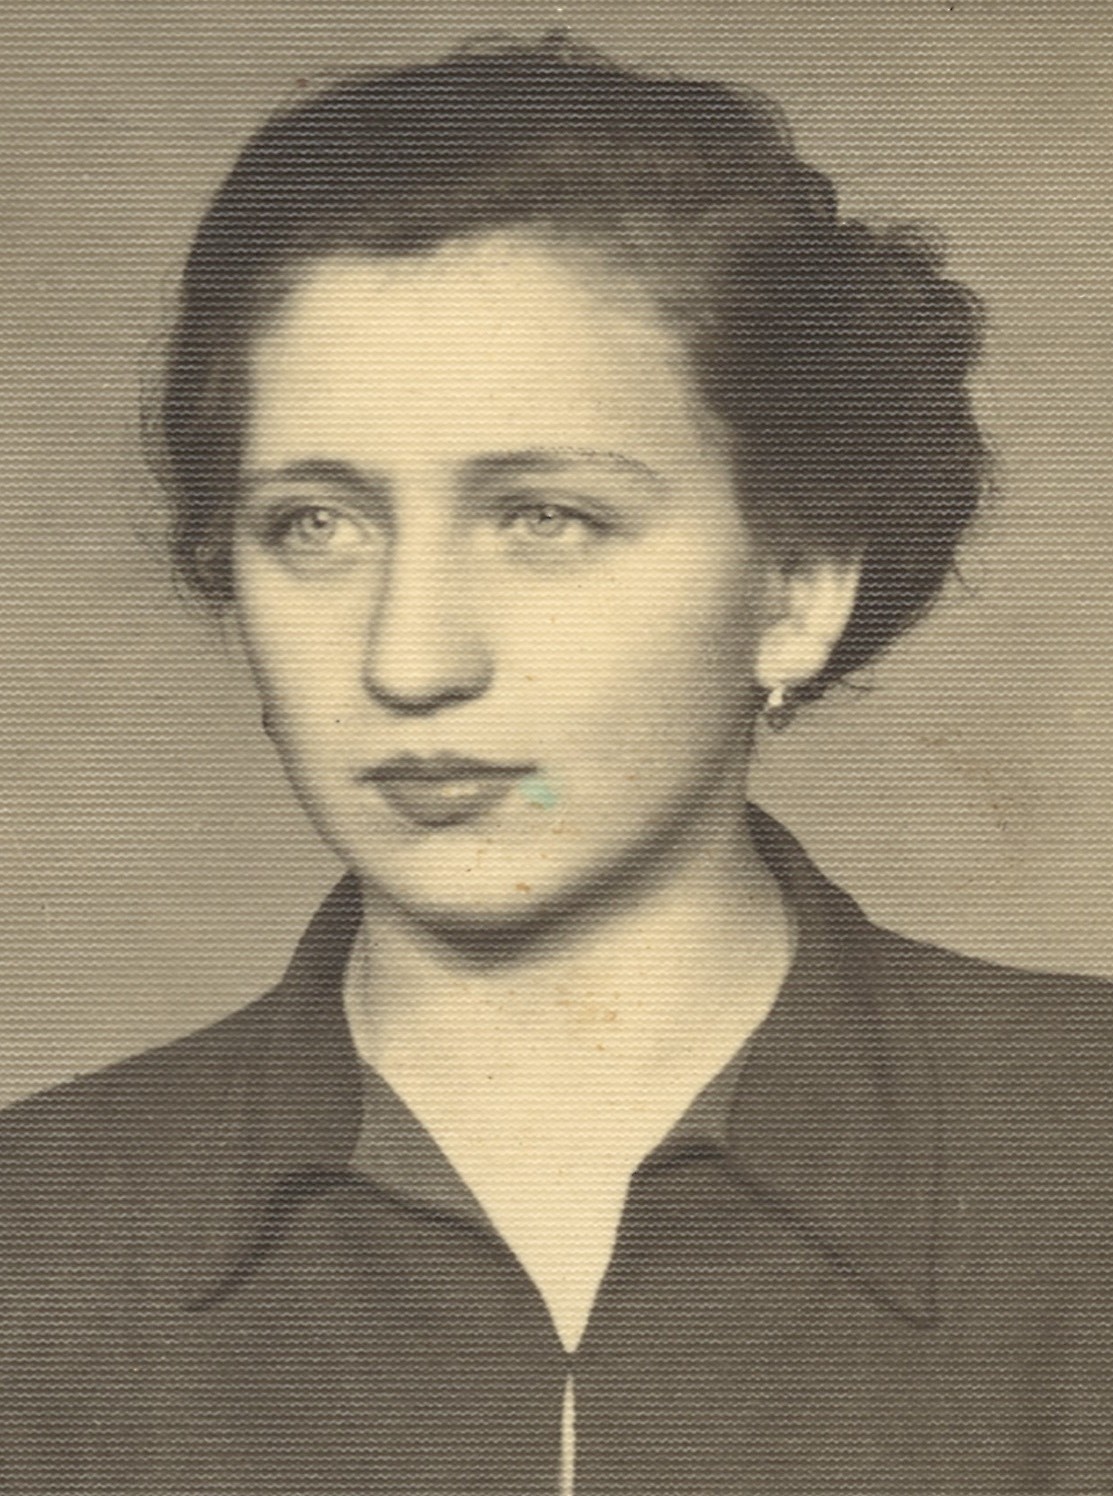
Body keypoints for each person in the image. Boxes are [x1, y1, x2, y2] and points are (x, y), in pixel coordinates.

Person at [2, 32, 1111, 1496]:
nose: (409, 661)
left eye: (544, 518)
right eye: (314, 526)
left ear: (795, 588)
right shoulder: (36, 1237)